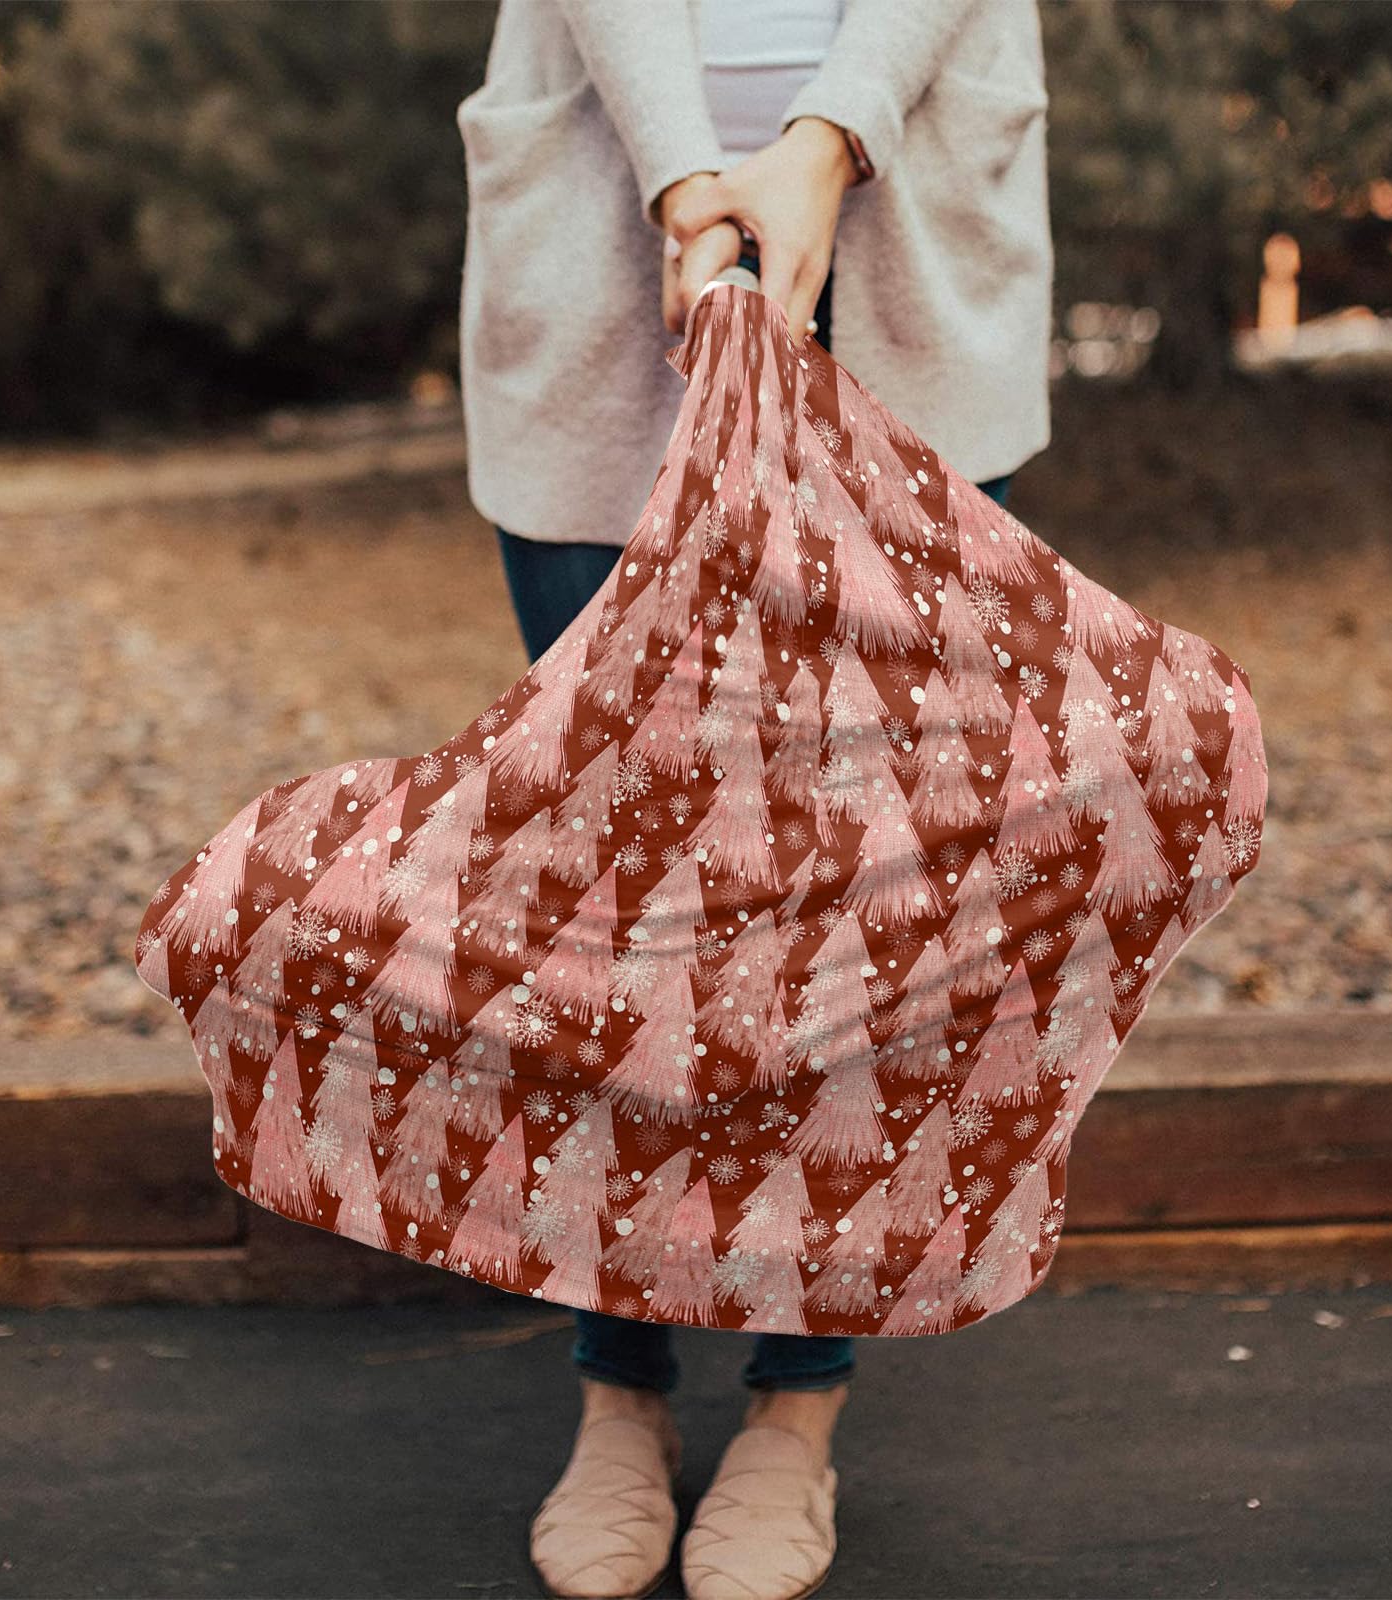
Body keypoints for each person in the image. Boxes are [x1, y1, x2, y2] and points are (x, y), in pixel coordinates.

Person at [454, 4, 1052, 1596]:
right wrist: (684, 179)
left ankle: (798, 1404)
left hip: (906, 231)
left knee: (858, 891)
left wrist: (828, 140)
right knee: (619, 886)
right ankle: (620, 1386)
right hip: (606, 225)